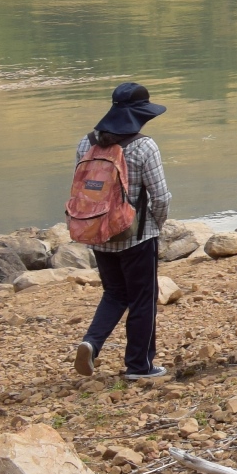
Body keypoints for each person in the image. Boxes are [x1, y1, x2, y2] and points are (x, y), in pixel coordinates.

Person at [71, 83, 171, 381]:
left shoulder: (86, 144)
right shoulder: (143, 146)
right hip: (137, 236)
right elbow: (161, 197)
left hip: (100, 234)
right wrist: (156, 226)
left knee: (114, 293)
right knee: (143, 298)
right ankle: (140, 365)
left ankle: (92, 342)